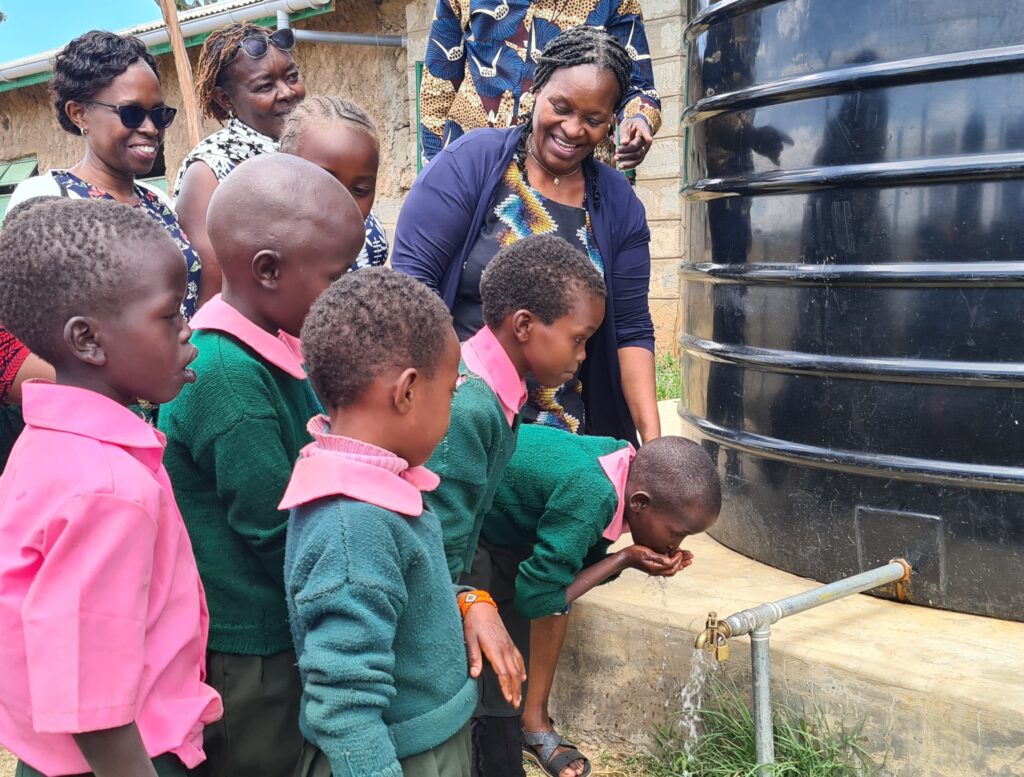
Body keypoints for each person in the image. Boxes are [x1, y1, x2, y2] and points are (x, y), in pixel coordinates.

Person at [158, 154, 365, 777]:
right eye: (337, 275)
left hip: (280, 615)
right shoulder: (225, 378)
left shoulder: (277, 344)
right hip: (248, 642)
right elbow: (273, 530)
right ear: (268, 271)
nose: (347, 291)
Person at [0, 197, 222, 777]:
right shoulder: (108, 489)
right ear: (88, 341)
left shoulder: (50, 442)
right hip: (122, 758)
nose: (187, 329)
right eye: (169, 315)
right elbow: (90, 705)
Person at [281, 269, 526, 777]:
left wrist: (466, 599)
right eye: (452, 394)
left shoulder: (383, 487)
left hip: (427, 740)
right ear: (408, 391)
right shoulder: (353, 528)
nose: (452, 408)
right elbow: (345, 707)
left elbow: (410, 593)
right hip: (396, 757)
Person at [393, 27, 660, 446]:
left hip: (565, 435)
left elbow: (631, 332)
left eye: (593, 120)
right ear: (536, 88)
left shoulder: (617, 203)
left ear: (611, 120)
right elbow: (411, 287)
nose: (573, 130)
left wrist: (654, 444)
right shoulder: (471, 165)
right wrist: (441, 389)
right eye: (561, 107)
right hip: (459, 419)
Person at [469, 425, 722, 777]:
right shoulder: (593, 495)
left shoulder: (623, 469)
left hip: (508, 522)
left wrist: (630, 558)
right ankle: (485, 740)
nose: (675, 546)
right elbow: (538, 599)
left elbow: (573, 567)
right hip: (467, 522)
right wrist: (623, 559)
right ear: (640, 503)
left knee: (546, 593)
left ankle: (526, 724)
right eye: (676, 533)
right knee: (490, 634)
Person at [425, 235, 606, 584]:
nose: (582, 355)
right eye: (578, 339)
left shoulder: (504, 390)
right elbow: (441, 540)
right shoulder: (469, 406)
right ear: (523, 326)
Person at [7, 30, 202, 319]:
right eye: (131, 114)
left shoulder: (158, 202)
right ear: (79, 114)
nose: (150, 128)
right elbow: (16, 335)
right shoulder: (47, 198)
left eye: (159, 114)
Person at [418, 1, 661, 170]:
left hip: (573, 178)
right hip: (472, 168)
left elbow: (636, 84)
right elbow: (438, 87)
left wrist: (639, 119)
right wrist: (433, 172)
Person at [173, 23, 305, 301]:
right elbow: (213, 288)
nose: (287, 92)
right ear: (224, 99)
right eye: (265, 86)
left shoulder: (311, 148)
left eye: (292, 77)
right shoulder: (210, 169)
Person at [278, 96, 389, 270]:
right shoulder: (263, 257)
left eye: (360, 190)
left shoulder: (371, 251)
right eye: (325, 186)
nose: (343, 207)